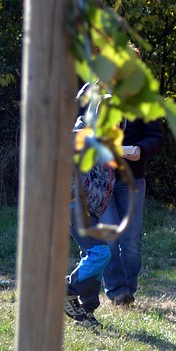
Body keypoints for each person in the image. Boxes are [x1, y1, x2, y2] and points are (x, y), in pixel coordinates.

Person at [101, 110, 164, 306]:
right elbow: (76, 131)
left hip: (132, 178)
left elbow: (156, 136)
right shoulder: (89, 96)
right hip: (98, 180)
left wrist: (140, 149)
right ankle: (117, 291)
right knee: (109, 239)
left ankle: (127, 291)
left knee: (131, 241)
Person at [66, 84, 116, 328]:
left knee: (95, 257)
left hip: (91, 208)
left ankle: (86, 310)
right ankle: (66, 289)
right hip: (75, 205)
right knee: (100, 253)